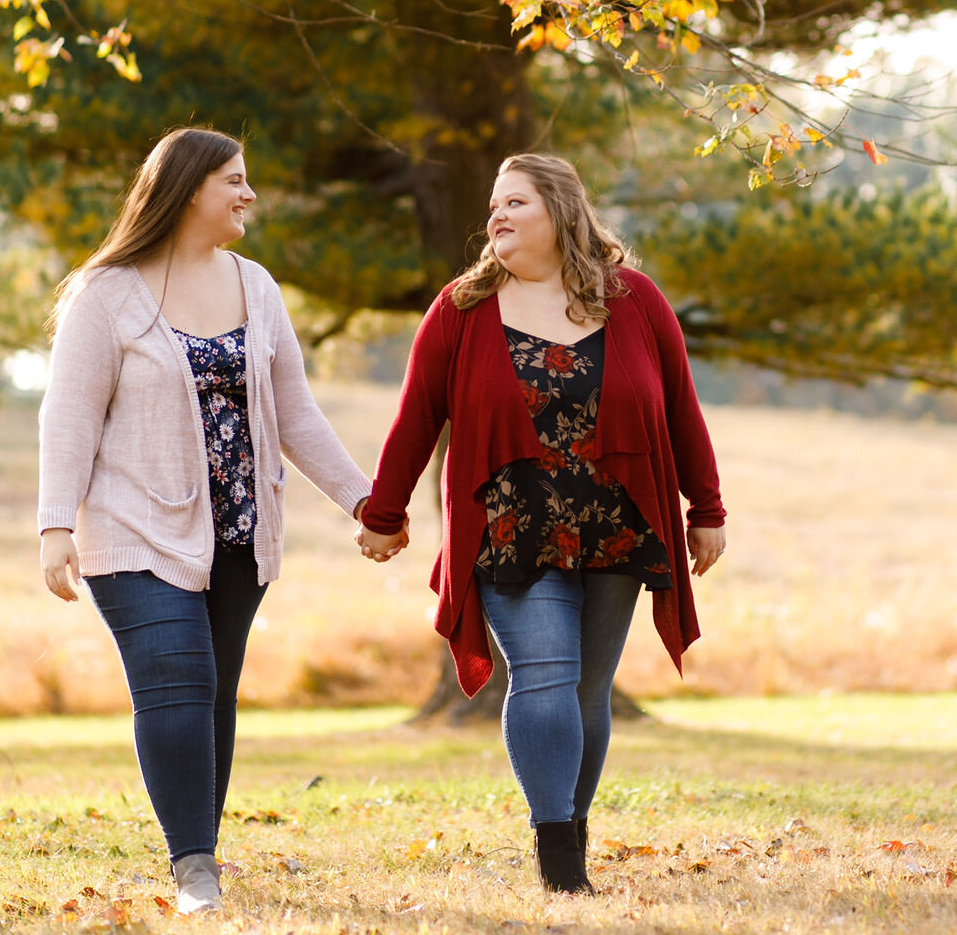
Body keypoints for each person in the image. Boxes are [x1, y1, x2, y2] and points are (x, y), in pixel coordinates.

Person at [357, 153, 726, 896]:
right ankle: (557, 858)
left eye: (514, 203)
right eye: (492, 205)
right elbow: (416, 419)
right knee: (546, 675)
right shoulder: (461, 308)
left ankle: (572, 832)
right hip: (511, 527)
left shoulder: (636, 301)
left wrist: (706, 509)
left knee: (589, 690)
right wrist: (385, 513)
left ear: (560, 211)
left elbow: (681, 408)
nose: (496, 216)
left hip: (618, 523)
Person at [39, 127, 374, 915]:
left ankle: (203, 853)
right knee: (177, 682)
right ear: (190, 188)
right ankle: (193, 869)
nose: (248, 194)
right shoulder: (107, 294)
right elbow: (70, 417)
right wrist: (56, 524)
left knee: (213, 692)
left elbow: (297, 414)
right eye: (235, 180)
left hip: (238, 530)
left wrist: (367, 500)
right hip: (132, 528)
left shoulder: (256, 287)